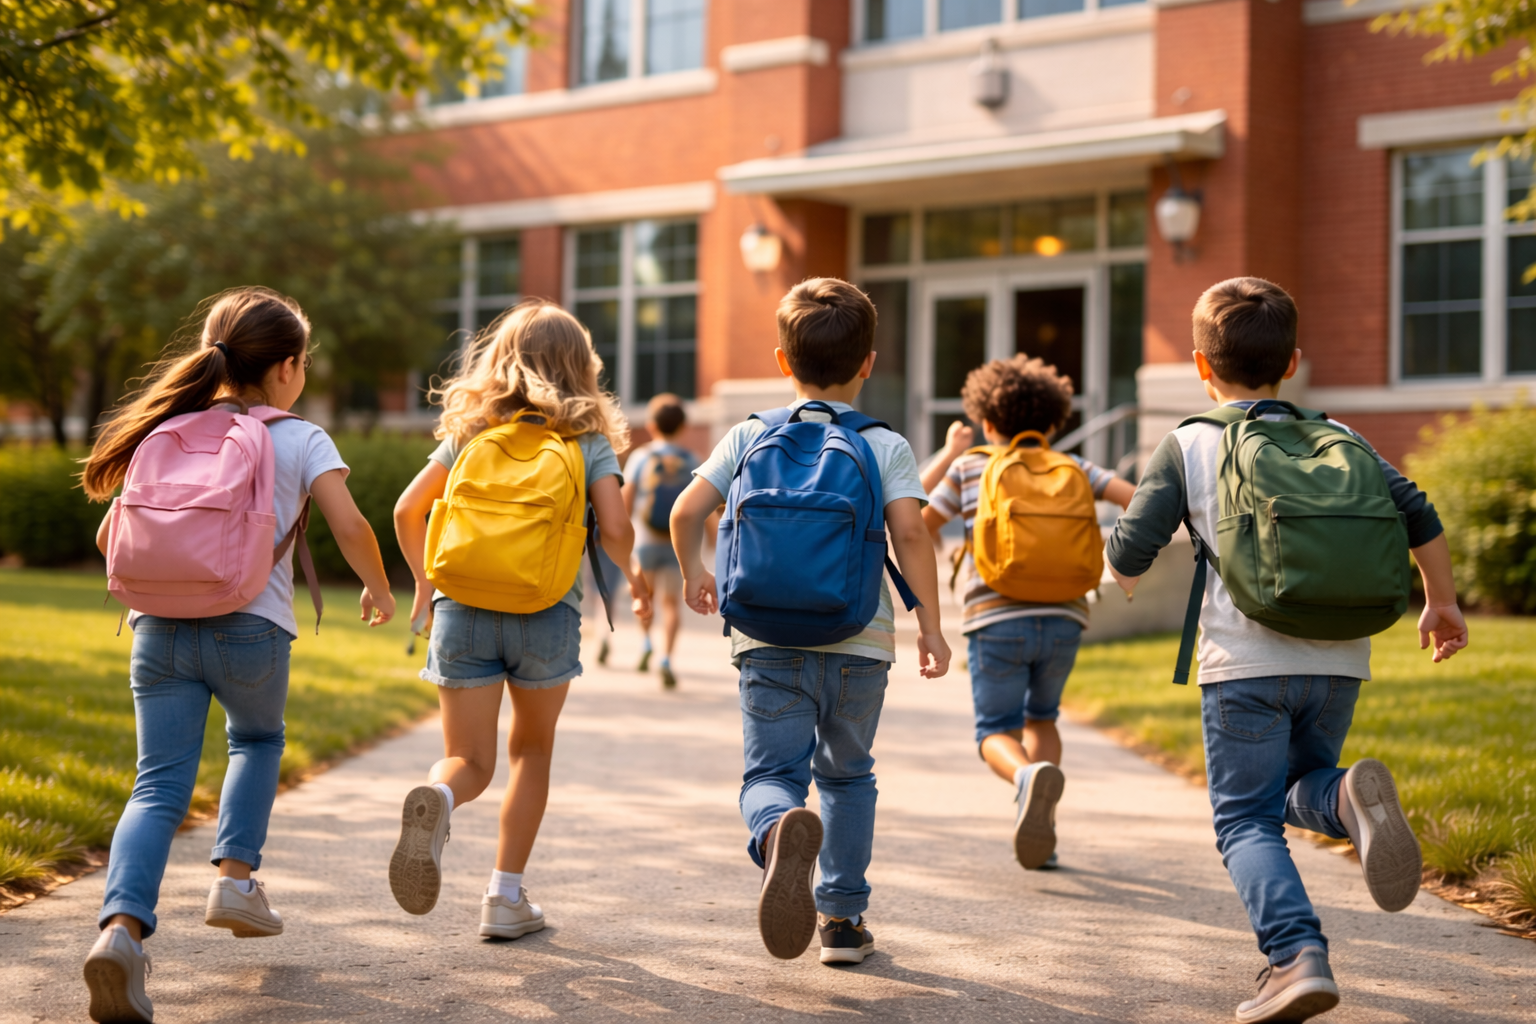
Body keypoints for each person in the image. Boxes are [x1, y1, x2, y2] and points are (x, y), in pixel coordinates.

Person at [1105, 277, 1468, 1023]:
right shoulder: (1346, 438)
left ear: (1203, 368)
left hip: (1244, 666)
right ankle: (1343, 797)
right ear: (1293, 360)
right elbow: (1419, 512)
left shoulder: (1190, 442)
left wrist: (1120, 575)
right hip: (1339, 658)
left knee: (1244, 819)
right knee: (1302, 785)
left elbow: (1133, 546)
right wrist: (1440, 601)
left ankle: (1294, 956)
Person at [79, 288, 396, 1024]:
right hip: (250, 628)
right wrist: (379, 587)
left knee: (156, 787)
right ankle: (234, 877)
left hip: (156, 630)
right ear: (287, 367)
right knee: (256, 740)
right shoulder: (300, 437)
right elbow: (349, 525)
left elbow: (108, 542)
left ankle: (120, 934)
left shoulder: (171, 427)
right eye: (304, 361)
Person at [670, 278, 950, 966]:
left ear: (781, 359)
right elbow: (912, 536)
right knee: (849, 777)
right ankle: (843, 923)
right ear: (868, 363)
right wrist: (934, 628)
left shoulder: (747, 434)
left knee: (771, 774)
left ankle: (775, 836)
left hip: (766, 640)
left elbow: (682, 513)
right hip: (860, 641)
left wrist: (694, 573)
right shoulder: (884, 445)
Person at [390, 300, 651, 941]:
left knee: (466, 759)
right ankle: (504, 898)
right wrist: (637, 577)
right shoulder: (587, 442)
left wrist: (426, 587)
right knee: (530, 751)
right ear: (581, 368)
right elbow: (615, 528)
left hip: (463, 611)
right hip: (545, 614)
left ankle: (441, 799)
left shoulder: (471, 434)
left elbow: (405, 511)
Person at [919, 356, 1134, 872]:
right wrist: (1124, 561)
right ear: (1055, 421)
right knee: (1043, 717)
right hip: (1065, 617)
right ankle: (1045, 822)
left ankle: (1023, 781)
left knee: (995, 730)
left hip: (995, 618)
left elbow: (917, 517)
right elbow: (1139, 500)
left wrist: (949, 455)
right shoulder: (1076, 467)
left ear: (987, 422)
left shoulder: (972, 466)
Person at [621, 393, 700, 689]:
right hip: (677, 545)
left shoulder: (642, 457)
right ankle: (666, 657)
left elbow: (626, 501)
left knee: (645, 598)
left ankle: (645, 644)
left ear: (652, 425)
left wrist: (621, 538)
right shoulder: (691, 459)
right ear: (683, 427)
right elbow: (699, 507)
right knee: (671, 605)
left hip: (645, 541)